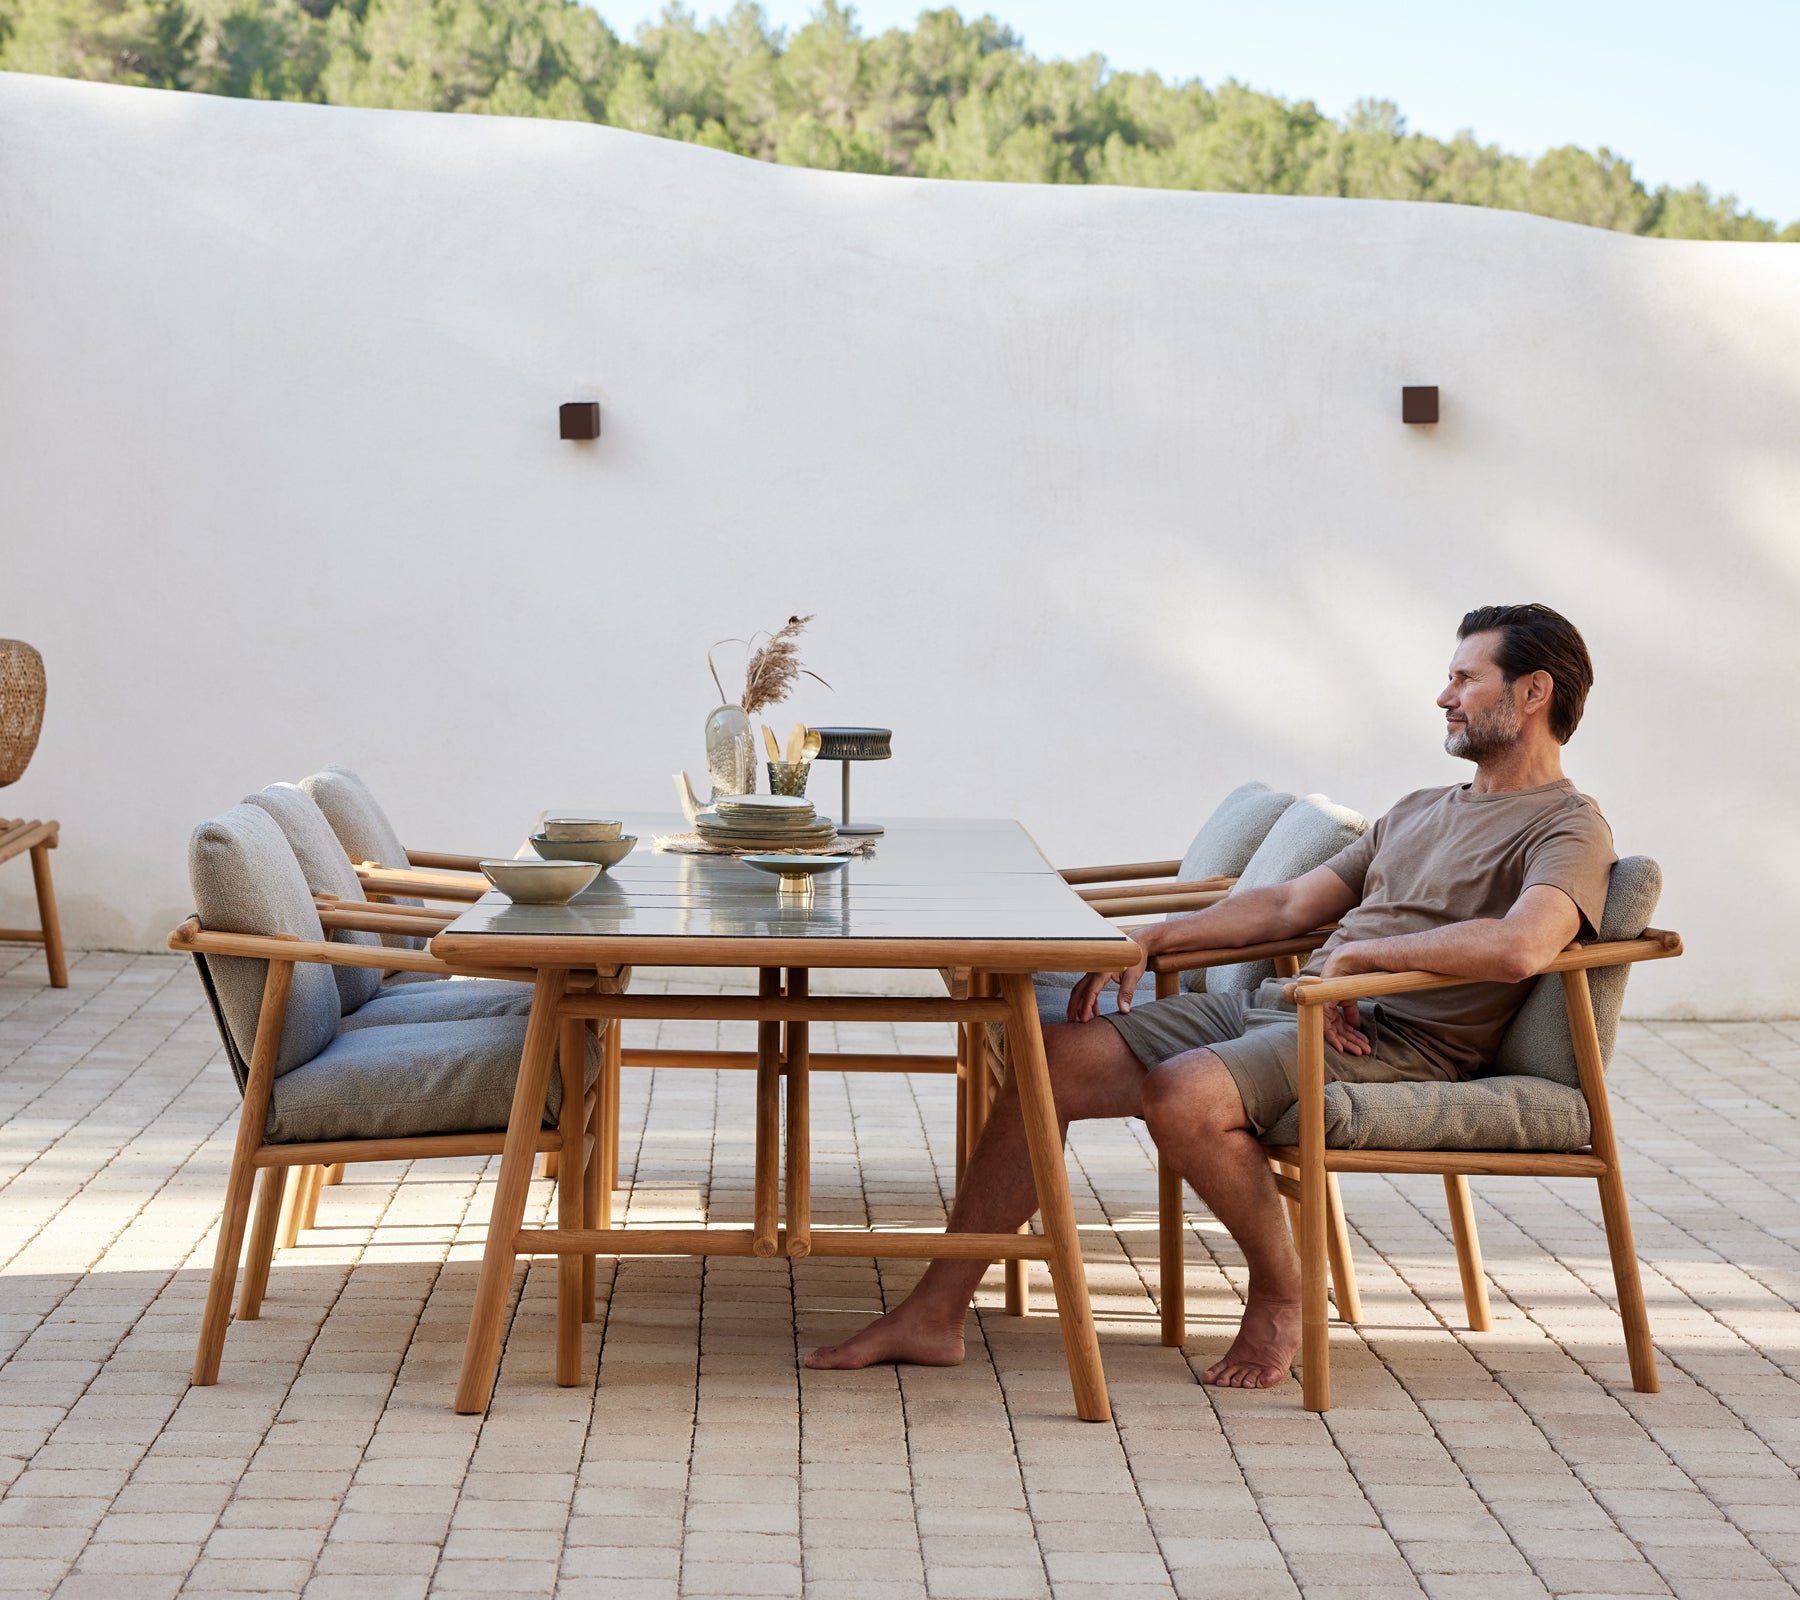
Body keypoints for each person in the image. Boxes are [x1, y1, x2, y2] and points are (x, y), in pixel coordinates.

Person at [807, 604, 1616, 1389]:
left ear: (1533, 692)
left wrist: (1362, 957)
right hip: (1287, 1007)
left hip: (1396, 1038)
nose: (1444, 697)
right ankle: (935, 1313)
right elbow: (1289, 907)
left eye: (1464, 678)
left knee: (1185, 1095)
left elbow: (1522, 946)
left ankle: (1280, 1295)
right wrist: (1158, 938)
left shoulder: (1568, 826)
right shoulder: (1418, 810)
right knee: (1046, 1061)